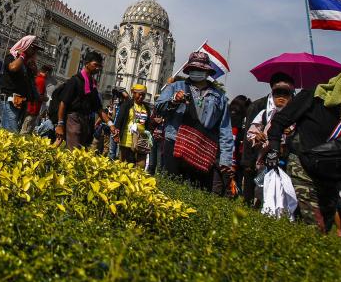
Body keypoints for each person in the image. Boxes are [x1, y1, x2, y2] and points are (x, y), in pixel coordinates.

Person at [266, 69, 341, 233]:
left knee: (325, 225)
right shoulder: (314, 97)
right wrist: (274, 149)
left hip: (330, 177)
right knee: (315, 226)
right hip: (303, 168)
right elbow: (279, 122)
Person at [155, 51, 234, 190]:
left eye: (201, 69)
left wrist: (226, 159)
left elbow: (225, 129)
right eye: (194, 69)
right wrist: (174, 100)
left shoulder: (219, 97)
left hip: (203, 148)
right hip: (175, 142)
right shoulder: (175, 87)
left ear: (207, 72)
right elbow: (159, 107)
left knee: (197, 190)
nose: (197, 72)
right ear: (189, 70)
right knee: (170, 187)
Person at [244, 73, 297, 203]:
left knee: (286, 193)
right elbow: (250, 134)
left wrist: (291, 134)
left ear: (291, 96)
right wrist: (258, 136)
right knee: (262, 190)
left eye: (285, 94)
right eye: (277, 93)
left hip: (288, 162)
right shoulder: (263, 113)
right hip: (265, 162)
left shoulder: (297, 116)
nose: (281, 97)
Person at [54, 51, 115, 149]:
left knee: (81, 151)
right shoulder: (75, 81)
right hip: (73, 119)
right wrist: (60, 124)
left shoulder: (92, 86)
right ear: (87, 63)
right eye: (95, 65)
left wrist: (111, 124)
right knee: (74, 151)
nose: (98, 68)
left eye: (100, 66)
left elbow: (99, 109)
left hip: (86, 122)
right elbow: (63, 103)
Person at [0, 35, 40, 133]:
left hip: (19, 100)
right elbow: (13, 68)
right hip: (9, 97)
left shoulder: (26, 63)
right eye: (33, 48)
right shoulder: (11, 56)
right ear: (25, 45)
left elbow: (32, 78)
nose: (35, 52)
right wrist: (22, 55)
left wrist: (32, 67)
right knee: (11, 130)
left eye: (37, 50)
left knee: (5, 129)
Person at [117, 84, 152, 168]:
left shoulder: (146, 108)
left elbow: (148, 124)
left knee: (140, 165)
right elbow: (119, 120)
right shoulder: (126, 105)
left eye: (143, 95)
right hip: (127, 140)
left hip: (141, 141)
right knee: (124, 164)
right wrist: (116, 133)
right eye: (139, 94)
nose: (141, 97)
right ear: (133, 93)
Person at [21, 64, 51, 136]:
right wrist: (45, 98)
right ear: (47, 72)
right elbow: (38, 96)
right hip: (33, 109)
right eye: (49, 74)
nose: (49, 76)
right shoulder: (41, 80)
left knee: (26, 129)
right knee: (26, 132)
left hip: (31, 108)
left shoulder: (37, 78)